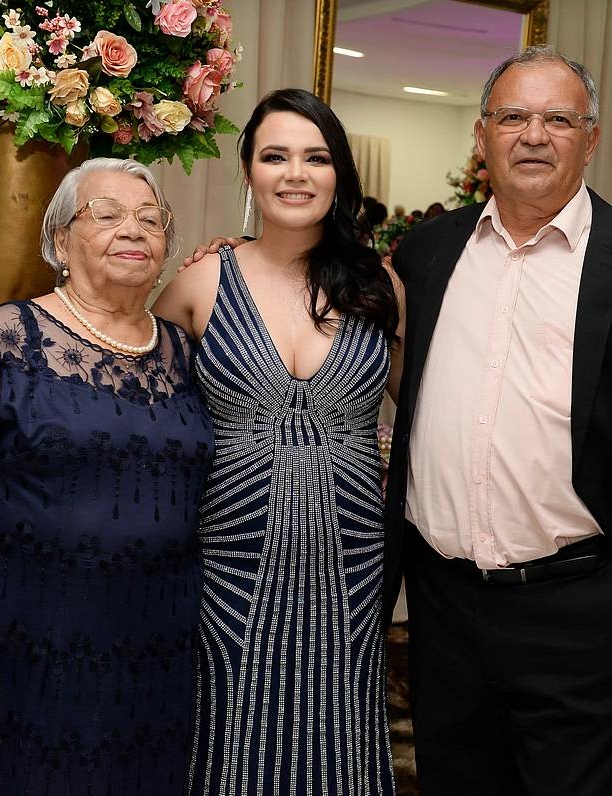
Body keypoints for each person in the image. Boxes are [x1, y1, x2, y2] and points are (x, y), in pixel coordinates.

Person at [382, 47, 612, 794]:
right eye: (513, 116)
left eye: (558, 120)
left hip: (581, 613)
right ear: (482, 135)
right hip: (443, 610)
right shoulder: (429, 252)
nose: (533, 136)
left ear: (590, 139)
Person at [0, 158, 215, 794]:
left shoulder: (182, 351)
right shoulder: (9, 337)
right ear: (61, 241)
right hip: (23, 648)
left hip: (155, 653)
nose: (133, 229)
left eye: (151, 219)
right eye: (107, 214)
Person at [153, 88, 403, 795]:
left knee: (337, 739)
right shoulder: (202, 281)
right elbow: (143, 420)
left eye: (316, 158)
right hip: (223, 564)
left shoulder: (381, 287)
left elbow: (427, 415)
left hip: (349, 565)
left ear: (339, 173)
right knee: (223, 734)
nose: (296, 174)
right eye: (275, 156)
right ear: (248, 173)